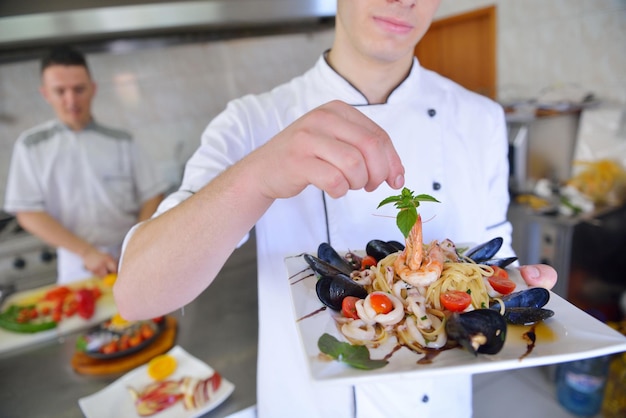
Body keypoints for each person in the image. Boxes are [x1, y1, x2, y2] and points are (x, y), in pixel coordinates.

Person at [114, 0, 558, 416]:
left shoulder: (481, 118)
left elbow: (495, 260)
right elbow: (138, 295)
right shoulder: (252, 122)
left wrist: (513, 283)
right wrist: (257, 176)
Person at [4, 46, 168, 284]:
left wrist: (135, 243)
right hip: (77, 264)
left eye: (79, 89)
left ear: (93, 89)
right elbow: (27, 213)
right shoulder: (31, 146)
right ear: (45, 94)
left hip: (133, 255)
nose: (71, 100)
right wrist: (86, 252)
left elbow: (153, 194)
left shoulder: (122, 140)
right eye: (60, 91)